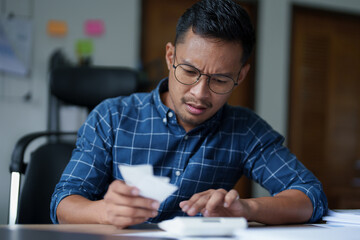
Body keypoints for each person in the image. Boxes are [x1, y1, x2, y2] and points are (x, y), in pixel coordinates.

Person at [51, 0, 328, 228]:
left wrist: (245, 208)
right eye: (190, 72)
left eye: (219, 80)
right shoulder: (111, 117)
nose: (200, 93)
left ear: (241, 75)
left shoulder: (245, 130)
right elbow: (63, 203)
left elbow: (310, 197)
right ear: (170, 57)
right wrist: (104, 212)